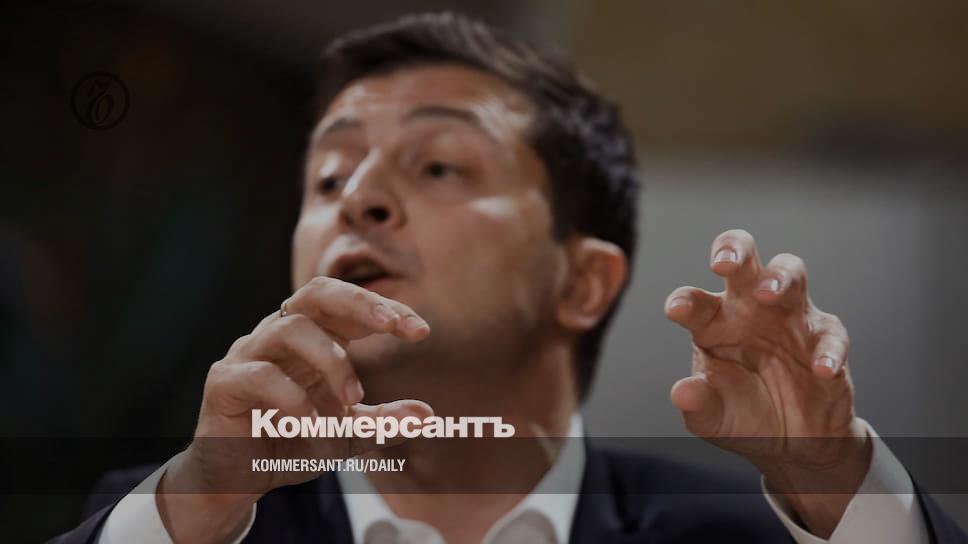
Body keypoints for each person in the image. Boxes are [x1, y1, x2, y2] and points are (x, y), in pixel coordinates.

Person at [53, 12, 966, 544]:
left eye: (438, 165)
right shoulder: (188, 517)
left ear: (582, 282)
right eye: (328, 178)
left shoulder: (755, 532)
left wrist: (835, 477)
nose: (356, 198)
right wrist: (202, 500)